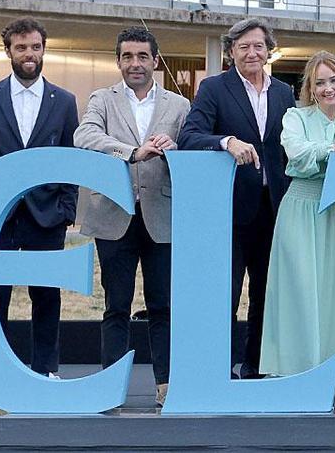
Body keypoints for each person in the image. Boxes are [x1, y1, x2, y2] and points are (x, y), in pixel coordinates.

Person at [0, 17, 79, 407]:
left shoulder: (64, 101)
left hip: (47, 215)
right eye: (21, 47)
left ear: (44, 49)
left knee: (46, 295)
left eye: (35, 47)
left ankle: (46, 370)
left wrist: (66, 208)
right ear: (8, 51)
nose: (29, 54)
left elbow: (70, 159)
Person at [74, 27, 190, 408]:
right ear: (118, 61)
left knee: (163, 305)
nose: (135, 63)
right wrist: (132, 151)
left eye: (142, 56)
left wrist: (175, 147)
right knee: (116, 306)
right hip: (114, 215)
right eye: (127, 56)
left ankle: (166, 384)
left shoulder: (179, 105)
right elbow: (84, 136)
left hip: (162, 216)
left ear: (156, 61)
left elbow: (193, 145)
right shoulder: (102, 100)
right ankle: (111, 385)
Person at [177, 18, 296, 380]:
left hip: (274, 207)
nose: (251, 53)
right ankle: (218, 368)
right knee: (225, 292)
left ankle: (256, 365)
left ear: (269, 51)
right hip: (229, 209)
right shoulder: (214, 88)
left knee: (266, 292)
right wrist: (226, 142)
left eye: (258, 46)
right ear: (231, 51)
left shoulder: (284, 92)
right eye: (243, 47)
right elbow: (189, 136)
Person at [259, 51, 335, 381]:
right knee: (299, 288)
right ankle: (295, 369)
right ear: (310, 87)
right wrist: (332, 150)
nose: (328, 88)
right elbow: (296, 152)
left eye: (334, 80)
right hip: (302, 205)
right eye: (320, 82)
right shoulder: (295, 117)